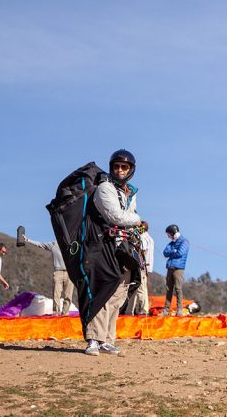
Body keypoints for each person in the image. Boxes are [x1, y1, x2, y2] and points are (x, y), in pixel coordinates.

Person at [82, 149, 143, 356]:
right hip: (103, 246)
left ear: (130, 170)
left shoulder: (129, 193)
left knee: (119, 295)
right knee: (103, 292)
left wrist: (135, 224)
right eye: (117, 166)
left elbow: (129, 216)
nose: (120, 170)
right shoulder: (105, 188)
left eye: (124, 167)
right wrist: (138, 220)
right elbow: (117, 216)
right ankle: (93, 339)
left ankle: (107, 339)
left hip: (123, 248)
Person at [22, 234, 73, 315]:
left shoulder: (71, 245)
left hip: (70, 273)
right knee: (56, 294)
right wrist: (28, 240)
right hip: (58, 272)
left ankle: (65, 314)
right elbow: (40, 245)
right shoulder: (53, 244)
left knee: (68, 295)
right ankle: (56, 313)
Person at [125, 221, 154, 315]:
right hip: (144, 267)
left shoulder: (143, 238)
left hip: (141, 267)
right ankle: (129, 310)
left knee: (140, 289)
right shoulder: (150, 238)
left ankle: (143, 310)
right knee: (135, 288)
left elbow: (142, 249)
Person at [162, 224, 189, 316]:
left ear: (173, 233)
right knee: (168, 289)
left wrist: (173, 252)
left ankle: (179, 310)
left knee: (178, 289)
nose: (168, 236)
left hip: (178, 268)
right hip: (170, 267)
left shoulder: (185, 241)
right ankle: (166, 310)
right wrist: (173, 251)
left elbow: (180, 253)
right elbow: (165, 252)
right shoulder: (172, 243)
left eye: (169, 234)